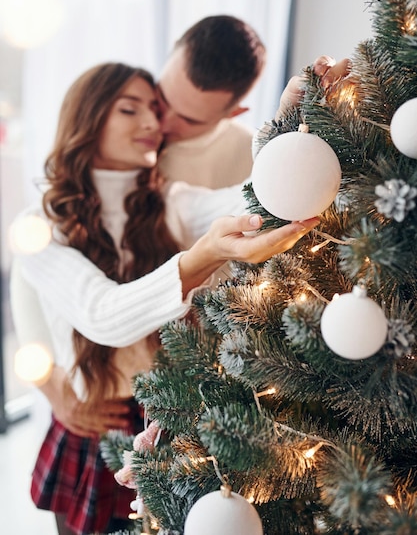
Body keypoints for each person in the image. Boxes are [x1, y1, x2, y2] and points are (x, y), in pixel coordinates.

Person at [11, 62, 319, 535]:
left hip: (173, 422)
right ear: (87, 118)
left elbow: (249, 195)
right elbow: (102, 314)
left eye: (155, 110)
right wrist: (201, 257)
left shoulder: (172, 201)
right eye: (130, 110)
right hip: (96, 428)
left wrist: (289, 115)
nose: (153, 124)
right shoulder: (39, 226)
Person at [157, 14, 265, 188]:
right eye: (162, 97)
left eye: (189, 120)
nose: (162, 124)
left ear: (233, 113)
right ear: (173, 49)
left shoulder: (256, 166)